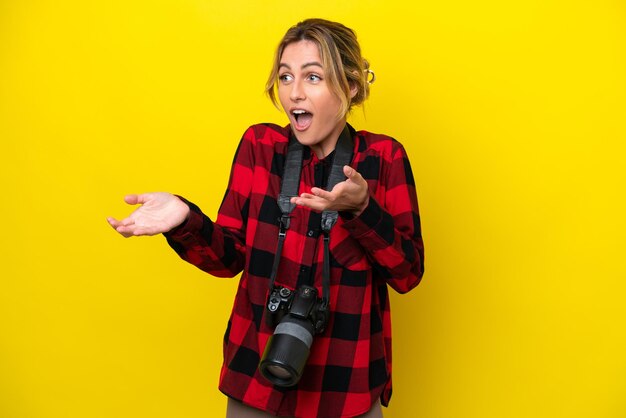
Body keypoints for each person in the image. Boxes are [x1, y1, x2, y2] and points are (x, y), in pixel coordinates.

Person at [107, 18, 424, 418]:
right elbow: (229, 261)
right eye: (285, 76)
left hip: (345, 389)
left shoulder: (383, 158)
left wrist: (362, 209)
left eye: (312, 77)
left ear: (352, 87)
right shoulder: (259, 146)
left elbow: (409, 274)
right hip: (255, 380)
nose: (293, 93)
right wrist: (185, 219)